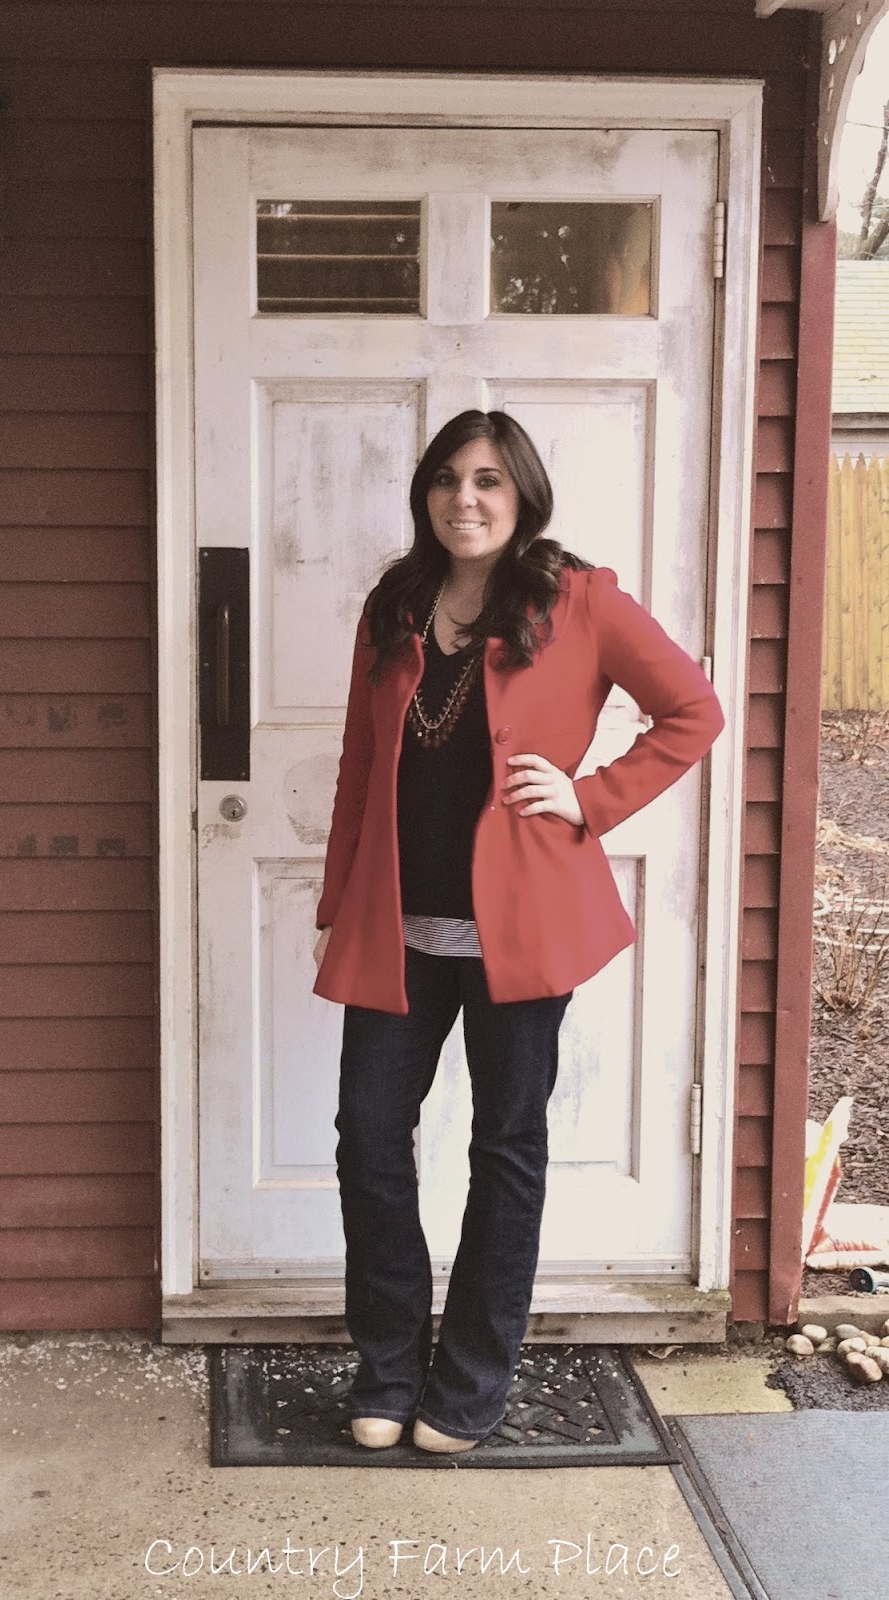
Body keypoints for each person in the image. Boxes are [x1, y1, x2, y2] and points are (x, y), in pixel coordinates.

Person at [311, 409, 725, 1454]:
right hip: (398, 928)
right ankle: (387, 1369)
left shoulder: (579, 599)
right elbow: (361, 764)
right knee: (368, 1137)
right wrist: (337, 904)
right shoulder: (394, 605)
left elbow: (692, 712)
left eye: (488, 479)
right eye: (447, 478)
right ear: (426, 493)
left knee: (505, 1148)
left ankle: (468, 1383)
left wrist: (591, 797)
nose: (465, 498)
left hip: (523, 931)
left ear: (522, 492)